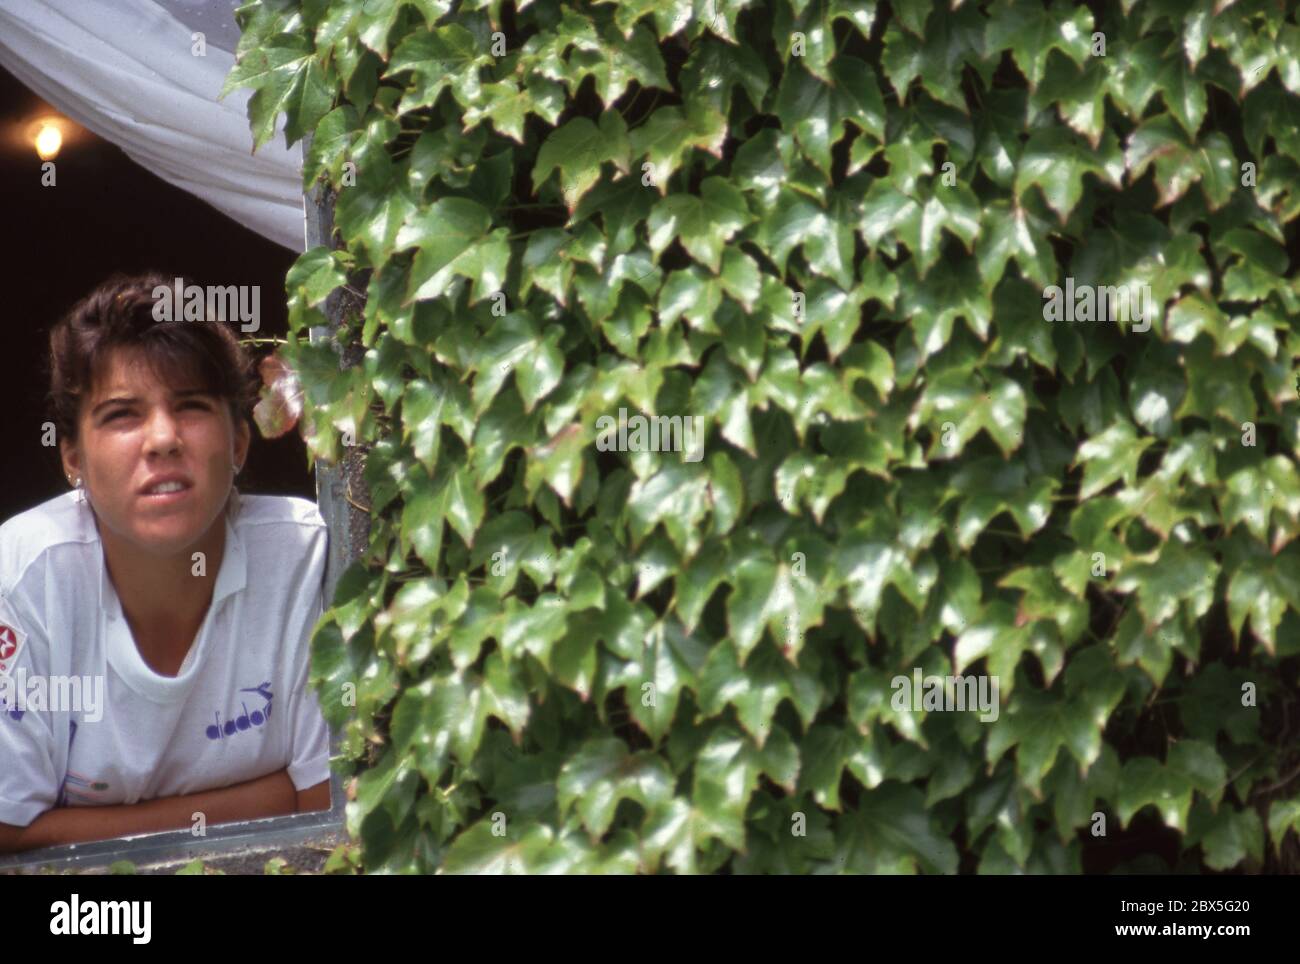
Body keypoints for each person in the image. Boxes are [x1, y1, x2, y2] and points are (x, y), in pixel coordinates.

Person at [0, 272, 332, 854]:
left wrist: (74, 827)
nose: (162, 438)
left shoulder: (302, 555)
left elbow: (332, 805)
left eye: (191, 406)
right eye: (123, 414)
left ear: (238, 443)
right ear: (73, 457)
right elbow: (8, 829)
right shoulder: (26, 576)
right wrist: (269, 798)